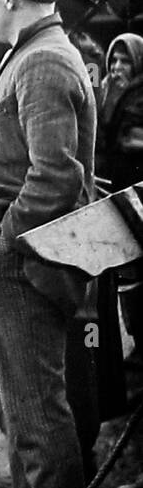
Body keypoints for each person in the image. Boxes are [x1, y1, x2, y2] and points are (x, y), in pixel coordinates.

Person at [0, 0, 96, 488]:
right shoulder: (32, 53)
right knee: (14, 412)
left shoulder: (44, 62)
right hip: (19, 250)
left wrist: (5, 251)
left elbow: (56, 174)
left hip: (26, 257)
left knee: (38, 422)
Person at [97, 32, 143, 369]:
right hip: (112, 194)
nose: (116, 67)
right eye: (113, 60)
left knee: (137, 274)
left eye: (124, 60)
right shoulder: (110, 94)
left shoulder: (139, 97)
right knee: (123, 275)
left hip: (135, 196)